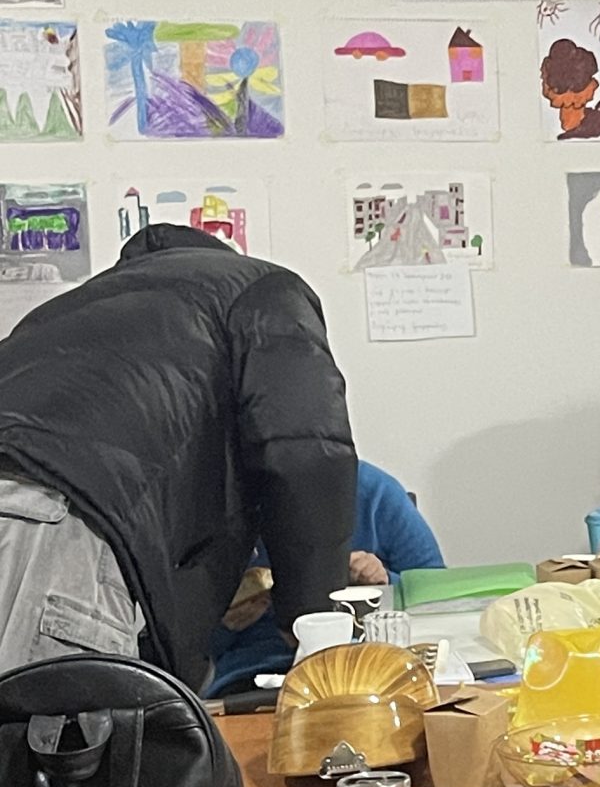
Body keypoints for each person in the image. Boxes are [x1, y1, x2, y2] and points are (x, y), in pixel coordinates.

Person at [0, 222, 354, 683]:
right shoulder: (262, 288)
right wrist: (312, 618)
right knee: (42, 726)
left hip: (39, 507)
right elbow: (307, 452)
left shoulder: (61, 312)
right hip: (52, 519)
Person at [208, 462, 446, 695]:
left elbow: (439, 599)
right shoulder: (225, 503)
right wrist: (224, 623)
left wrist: (384, 584)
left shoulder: (374, 491)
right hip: (256, 674)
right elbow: (195, 648)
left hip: (370, 665)